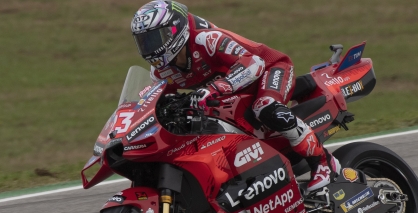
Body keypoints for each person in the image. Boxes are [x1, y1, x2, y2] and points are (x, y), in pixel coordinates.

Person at [131, 0, 341, 192]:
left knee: (266, 106)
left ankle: (324, 162)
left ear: (174, 31)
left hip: (270, 68)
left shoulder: (206, 39)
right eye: (144, 41)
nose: (149, 48)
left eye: (154, 39)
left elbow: (253, 63)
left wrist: (215, 88)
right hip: (235, 88)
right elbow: (155, 102)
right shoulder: (161, 71)